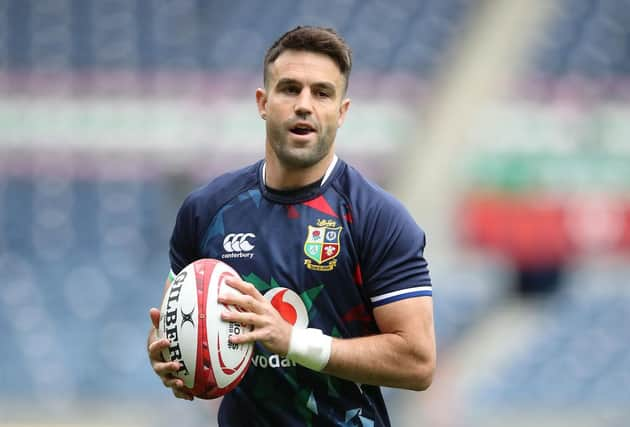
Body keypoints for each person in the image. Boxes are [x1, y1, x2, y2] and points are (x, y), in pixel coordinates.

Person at [147, 25, 436, 427]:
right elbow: (173, 317)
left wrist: (293, 341)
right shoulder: (207, 209)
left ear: (342, 111)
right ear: (263, 102)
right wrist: (169, 356)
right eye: (289, 89)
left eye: (321, 93)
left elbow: (418, 362)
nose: (305, 105)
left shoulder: (377, 217)